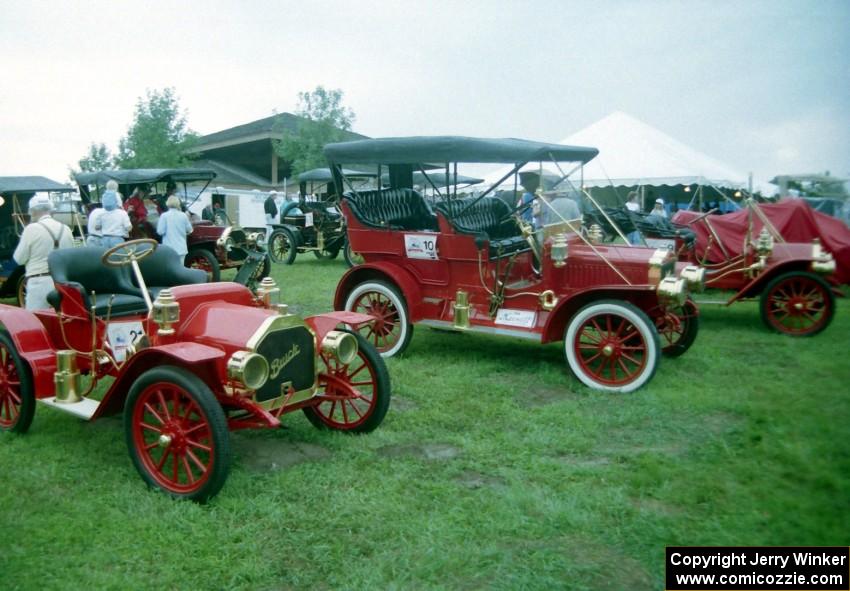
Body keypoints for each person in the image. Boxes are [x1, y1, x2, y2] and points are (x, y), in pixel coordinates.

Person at [13, 194, 74, 310]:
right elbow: (70, 257)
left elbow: (19, 259)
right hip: (63, 281)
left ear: (33, 211)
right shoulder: (65, 228)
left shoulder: (31, 229)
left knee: (37, 320)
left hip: (39, 282)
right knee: (62, 320)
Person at [157, 195, 193, 262]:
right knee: (181, 269)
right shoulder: (183, 215)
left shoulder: (164, 216)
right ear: (178, 203)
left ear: (167, 203)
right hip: (181, 248)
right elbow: (190, 230)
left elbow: (160, 231)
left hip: (168, 249)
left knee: (169, 270)